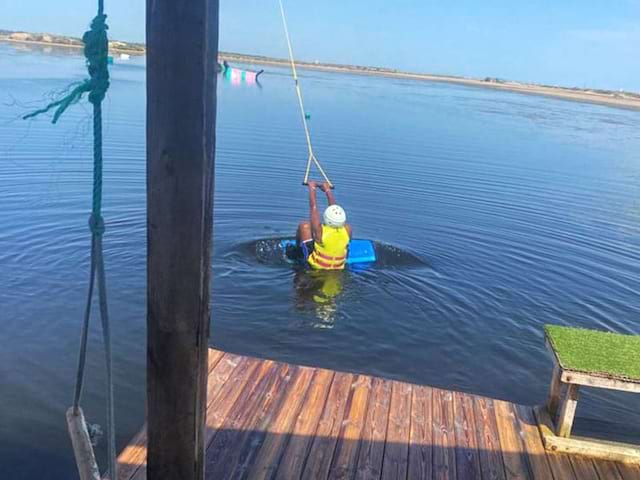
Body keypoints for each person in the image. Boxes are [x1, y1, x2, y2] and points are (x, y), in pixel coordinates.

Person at [296, 181, 352, 270]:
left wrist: (312, 188)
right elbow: (334, 209)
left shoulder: (320, 232)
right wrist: (327, 190)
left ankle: (297, 254)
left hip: (315, 267)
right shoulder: (347, 229)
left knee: (304, 227)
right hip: (337, 268)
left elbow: (313, 207)